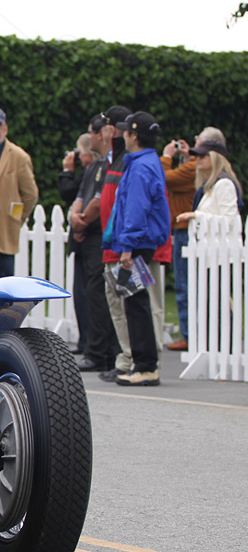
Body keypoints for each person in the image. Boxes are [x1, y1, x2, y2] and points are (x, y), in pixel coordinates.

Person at [109, 112, 170, 387]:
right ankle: (145, 364)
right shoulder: (147, 161)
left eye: (126, 131)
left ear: (133, 135)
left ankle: (146, 365)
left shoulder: (141, 166)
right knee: (137, 302)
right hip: (143, 241)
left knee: (136, 305)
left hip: (137, 243)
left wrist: (126, 248)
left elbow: (135, 208)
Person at [71, 115, 118, 373]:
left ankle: (101, 351)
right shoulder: (95, 166)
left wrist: (83, 222)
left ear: (102, 133)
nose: (89, 136)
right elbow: (81, 197)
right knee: (91, 295)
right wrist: (76, 219)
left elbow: (99, 201)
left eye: (92, 132)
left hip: (98, 236)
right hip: (88, 236)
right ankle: (95, 348)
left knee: (99, 296)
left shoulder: (110, 165)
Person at [0, 107, 39, 280]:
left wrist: (14, 219)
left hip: (2, 237)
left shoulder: (19, 156)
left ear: (5, 129)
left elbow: (30, 195)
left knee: (1, 290)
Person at [62, 132, 99, 355]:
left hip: (89, 235)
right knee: (82, 293)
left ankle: (91, 342)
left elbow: (68, 192)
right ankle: (87, 340)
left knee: (88, 294)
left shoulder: (93, 171)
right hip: (83, 232)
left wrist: (67, 171)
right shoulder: (91, 172)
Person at [160, 135, 197, 351]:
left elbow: (165, 178)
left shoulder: (191, 168)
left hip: (185, 230)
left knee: (184, 285)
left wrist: (167, 156)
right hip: (182, 229)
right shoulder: (191, 165)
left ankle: (188, 335)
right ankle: (189, 333)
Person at [176, 128, 243, 228]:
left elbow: (230, 221)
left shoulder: (224, 184)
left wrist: (197, 216)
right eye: (197, 155)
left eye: (202, 155)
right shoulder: (208, 185)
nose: (197, 158)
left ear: (214, 157)